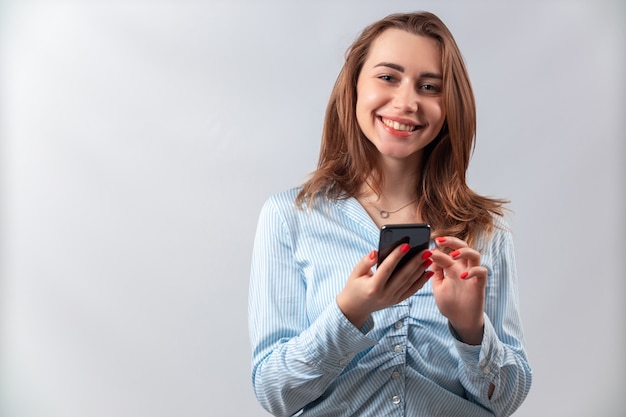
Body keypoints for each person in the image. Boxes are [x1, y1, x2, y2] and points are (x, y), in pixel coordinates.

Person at [248, 11, 532, 417]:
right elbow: (276, 394)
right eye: (387, 77)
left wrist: (471, 330)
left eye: (429, 86)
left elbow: (505, 401)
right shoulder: (289, 218)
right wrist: (350, 313)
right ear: (354, 87)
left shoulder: (485, 233)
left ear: (449, 106)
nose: (406, 102)